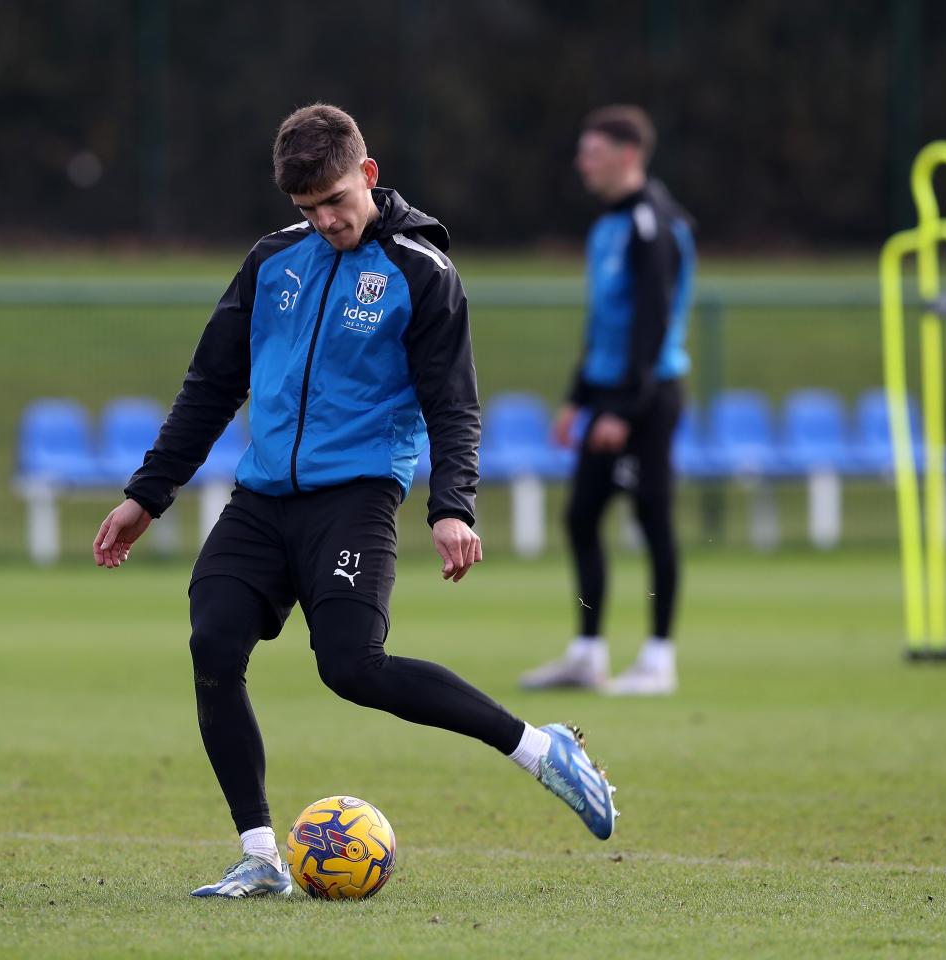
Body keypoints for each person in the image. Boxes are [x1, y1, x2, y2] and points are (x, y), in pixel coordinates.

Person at [93, 104, 617, 899]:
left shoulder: (421, 274)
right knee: (213, 644)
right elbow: (209, 388)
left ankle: (543, 752)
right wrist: (148, 494)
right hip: (263, 500)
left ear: (367, 175)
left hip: (356, 499)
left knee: (352, 667)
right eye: (308, 210)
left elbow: (453, 404)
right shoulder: (271, 264)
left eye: (336, 200)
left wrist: (452, 505)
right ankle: (262, 857)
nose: (327, 220)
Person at [519, 105, 696, 697]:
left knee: (651, 518)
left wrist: (623, 408)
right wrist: (578, 398)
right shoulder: (607, 228)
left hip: (648, 399)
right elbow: (606, 326)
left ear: (627, 155)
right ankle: (589, 653)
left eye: (592, 152)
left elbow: (652, 326)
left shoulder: (656, 224)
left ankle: (658, 658)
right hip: (608, 396)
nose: (581, 163)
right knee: (581, 517)